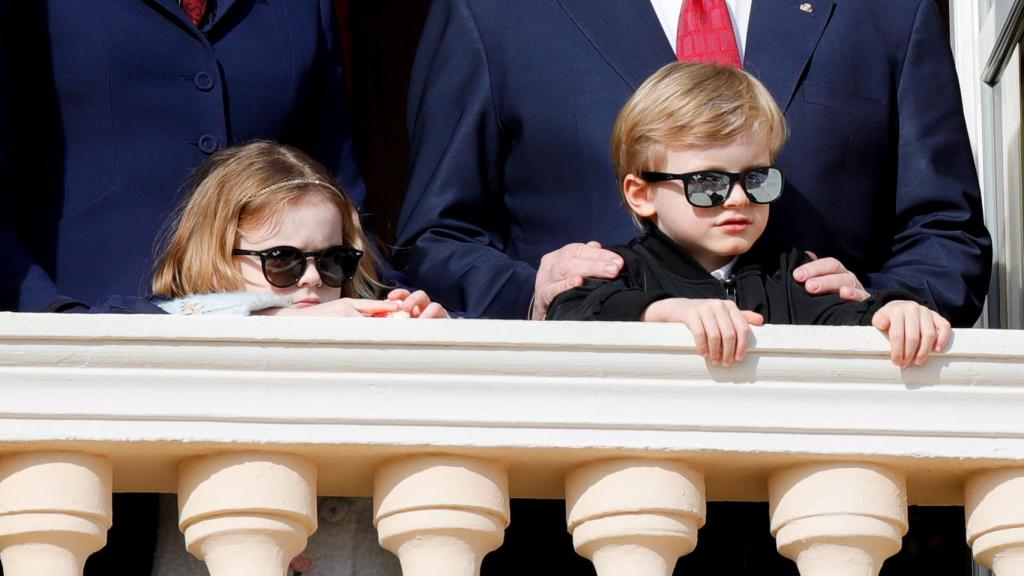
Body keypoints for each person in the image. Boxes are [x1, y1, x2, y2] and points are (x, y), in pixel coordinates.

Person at [394, 0, 991, 327]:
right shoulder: (494, 13)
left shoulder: (884, 12)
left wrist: (876, 306)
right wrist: (546, 301)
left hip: (837, 443)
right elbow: (439, 236)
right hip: (585, 446)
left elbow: (946, 231)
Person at [148, 140, 445, 576]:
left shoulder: (362, 323)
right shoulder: (183, 333)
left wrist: (433, 344)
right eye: (282, 260)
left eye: (332, 261)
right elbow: (166, 317)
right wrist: (280, 321)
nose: (311, 279)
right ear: (214, 261)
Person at [548, 61, 950, 371]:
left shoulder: (792, 275)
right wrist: (668, 311)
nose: (739, 198)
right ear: (641, 194)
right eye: (708, 183)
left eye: (757, 179)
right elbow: (570, 310)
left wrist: (893, 310)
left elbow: (847, 315)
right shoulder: (620, 270)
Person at [0, 0, 365, 313]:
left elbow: (335, 188)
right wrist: (54, 315)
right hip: (80, 342)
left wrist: (390, 298)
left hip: (275, 342)